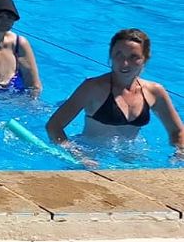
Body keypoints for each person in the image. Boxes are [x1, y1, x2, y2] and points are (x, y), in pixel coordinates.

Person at [45, 28, 184, 160]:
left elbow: (178, 131)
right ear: (111, 55)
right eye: (119, 55)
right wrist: (76, 154)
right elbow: (54, 126)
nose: (125, 63)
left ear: (145, 59)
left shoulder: (154, 91)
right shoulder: (93, 88)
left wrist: (179, 152)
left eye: (133, 57)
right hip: (89, 154)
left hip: (130, 157)